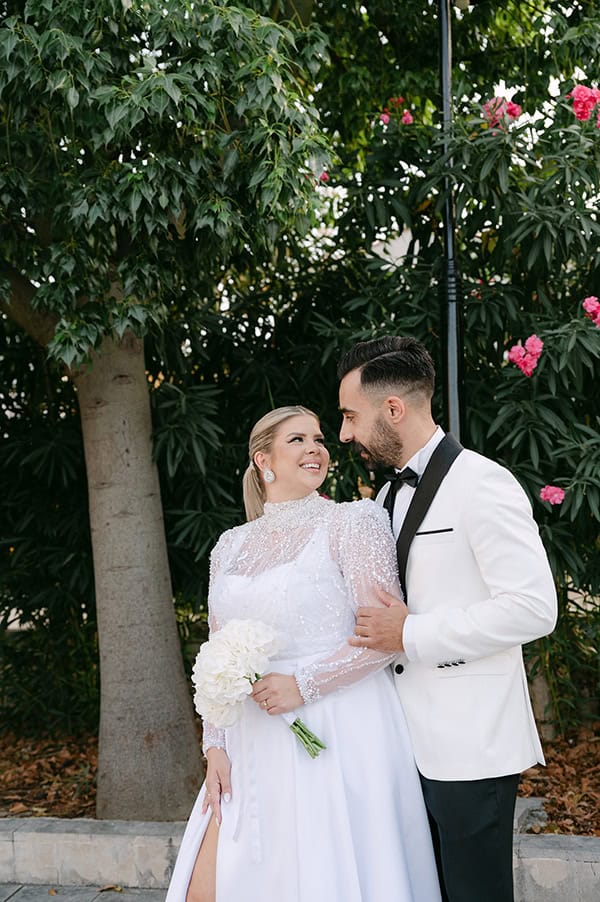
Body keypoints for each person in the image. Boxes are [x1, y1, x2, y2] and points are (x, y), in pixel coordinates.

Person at [165, 405, 442, 902]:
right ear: (263, 458)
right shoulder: (230, 546)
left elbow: (382, 639)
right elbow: (218, 654)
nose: (315, 448)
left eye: (318, 439)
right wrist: (215, 745)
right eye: (297, 439)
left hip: (337, 726)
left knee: (327, 872)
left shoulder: (354, 522)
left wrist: (303, 685)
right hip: (250, 736)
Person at [337, 337, 558, 902]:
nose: (344, 434)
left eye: (350, 416)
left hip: (470, 742)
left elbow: (534, 607)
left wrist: (412, 633)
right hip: (399, 741)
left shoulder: (483, 483)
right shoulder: (385, 496)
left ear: (393, 409)